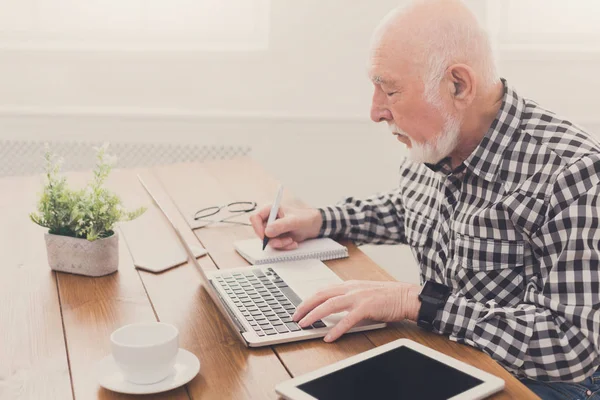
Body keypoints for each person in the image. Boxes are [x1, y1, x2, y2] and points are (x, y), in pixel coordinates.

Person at [250, 0, 600, 398]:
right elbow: (412, 209)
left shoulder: (571, 172)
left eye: (391, 90)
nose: (376, 111)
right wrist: (322, 220)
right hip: (453, 353)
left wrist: (417, 303)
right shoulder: (438, 141)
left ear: (458, 85)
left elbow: (573, 345)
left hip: (546, 383)